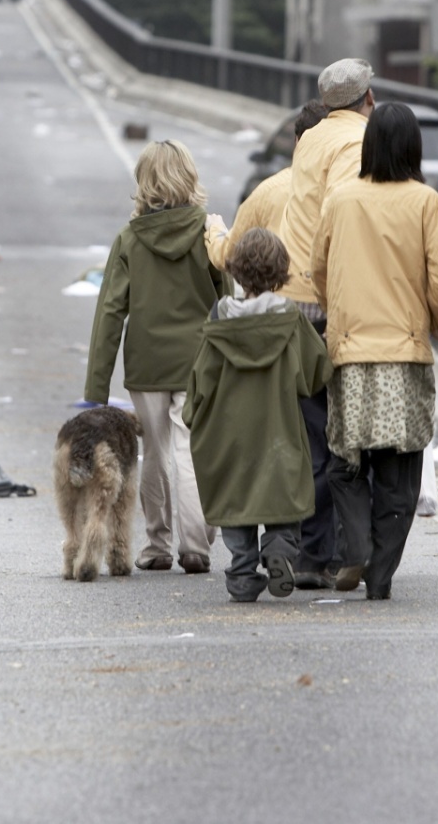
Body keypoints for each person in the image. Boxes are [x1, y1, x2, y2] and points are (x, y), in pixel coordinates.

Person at [312, 103, 438, 599]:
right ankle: (380, 573)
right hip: (404, 356)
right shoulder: (424, 202)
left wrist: (337, 313)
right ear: (414, 147)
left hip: (350, 355)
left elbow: (318, 270)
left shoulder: (340, 200)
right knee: (400, 472)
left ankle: (354, 546)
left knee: (346, 460)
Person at [84, 141, 228, 575]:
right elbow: (226, 299)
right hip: (199, 361)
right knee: (191, 451)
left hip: (146, 362)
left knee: (155, 453)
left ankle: (157, 544)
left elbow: (110, 311)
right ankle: (197, 545)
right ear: (189, 175)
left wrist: (96, 387)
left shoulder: (130, 238)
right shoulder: (208, 231)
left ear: (144, 182)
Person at [186, 228, 332, 602]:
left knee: (235, 500)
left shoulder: (220, 316)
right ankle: (280, 548)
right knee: (283, 493)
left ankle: (241, 571)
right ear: (281, 272)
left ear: (235, 271)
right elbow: (316, 371)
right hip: (279, 428)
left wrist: (191, 414)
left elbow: (202, 378)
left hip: (228, 434)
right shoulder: (290, 318)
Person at [275, 59, 376, 587]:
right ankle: (335, 552)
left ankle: (314, 553)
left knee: (312, 433)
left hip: (292, 302)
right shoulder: (356, 142)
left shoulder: (309, 139)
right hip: (325, 301)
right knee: (342, 436)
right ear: (369, 98)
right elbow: (342, 209)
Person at [205, 101, 327, 270]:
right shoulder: (351, 189)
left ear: (297, 140)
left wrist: (214, 230)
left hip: (283, 292)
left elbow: (229, 255)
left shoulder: (269, 190)